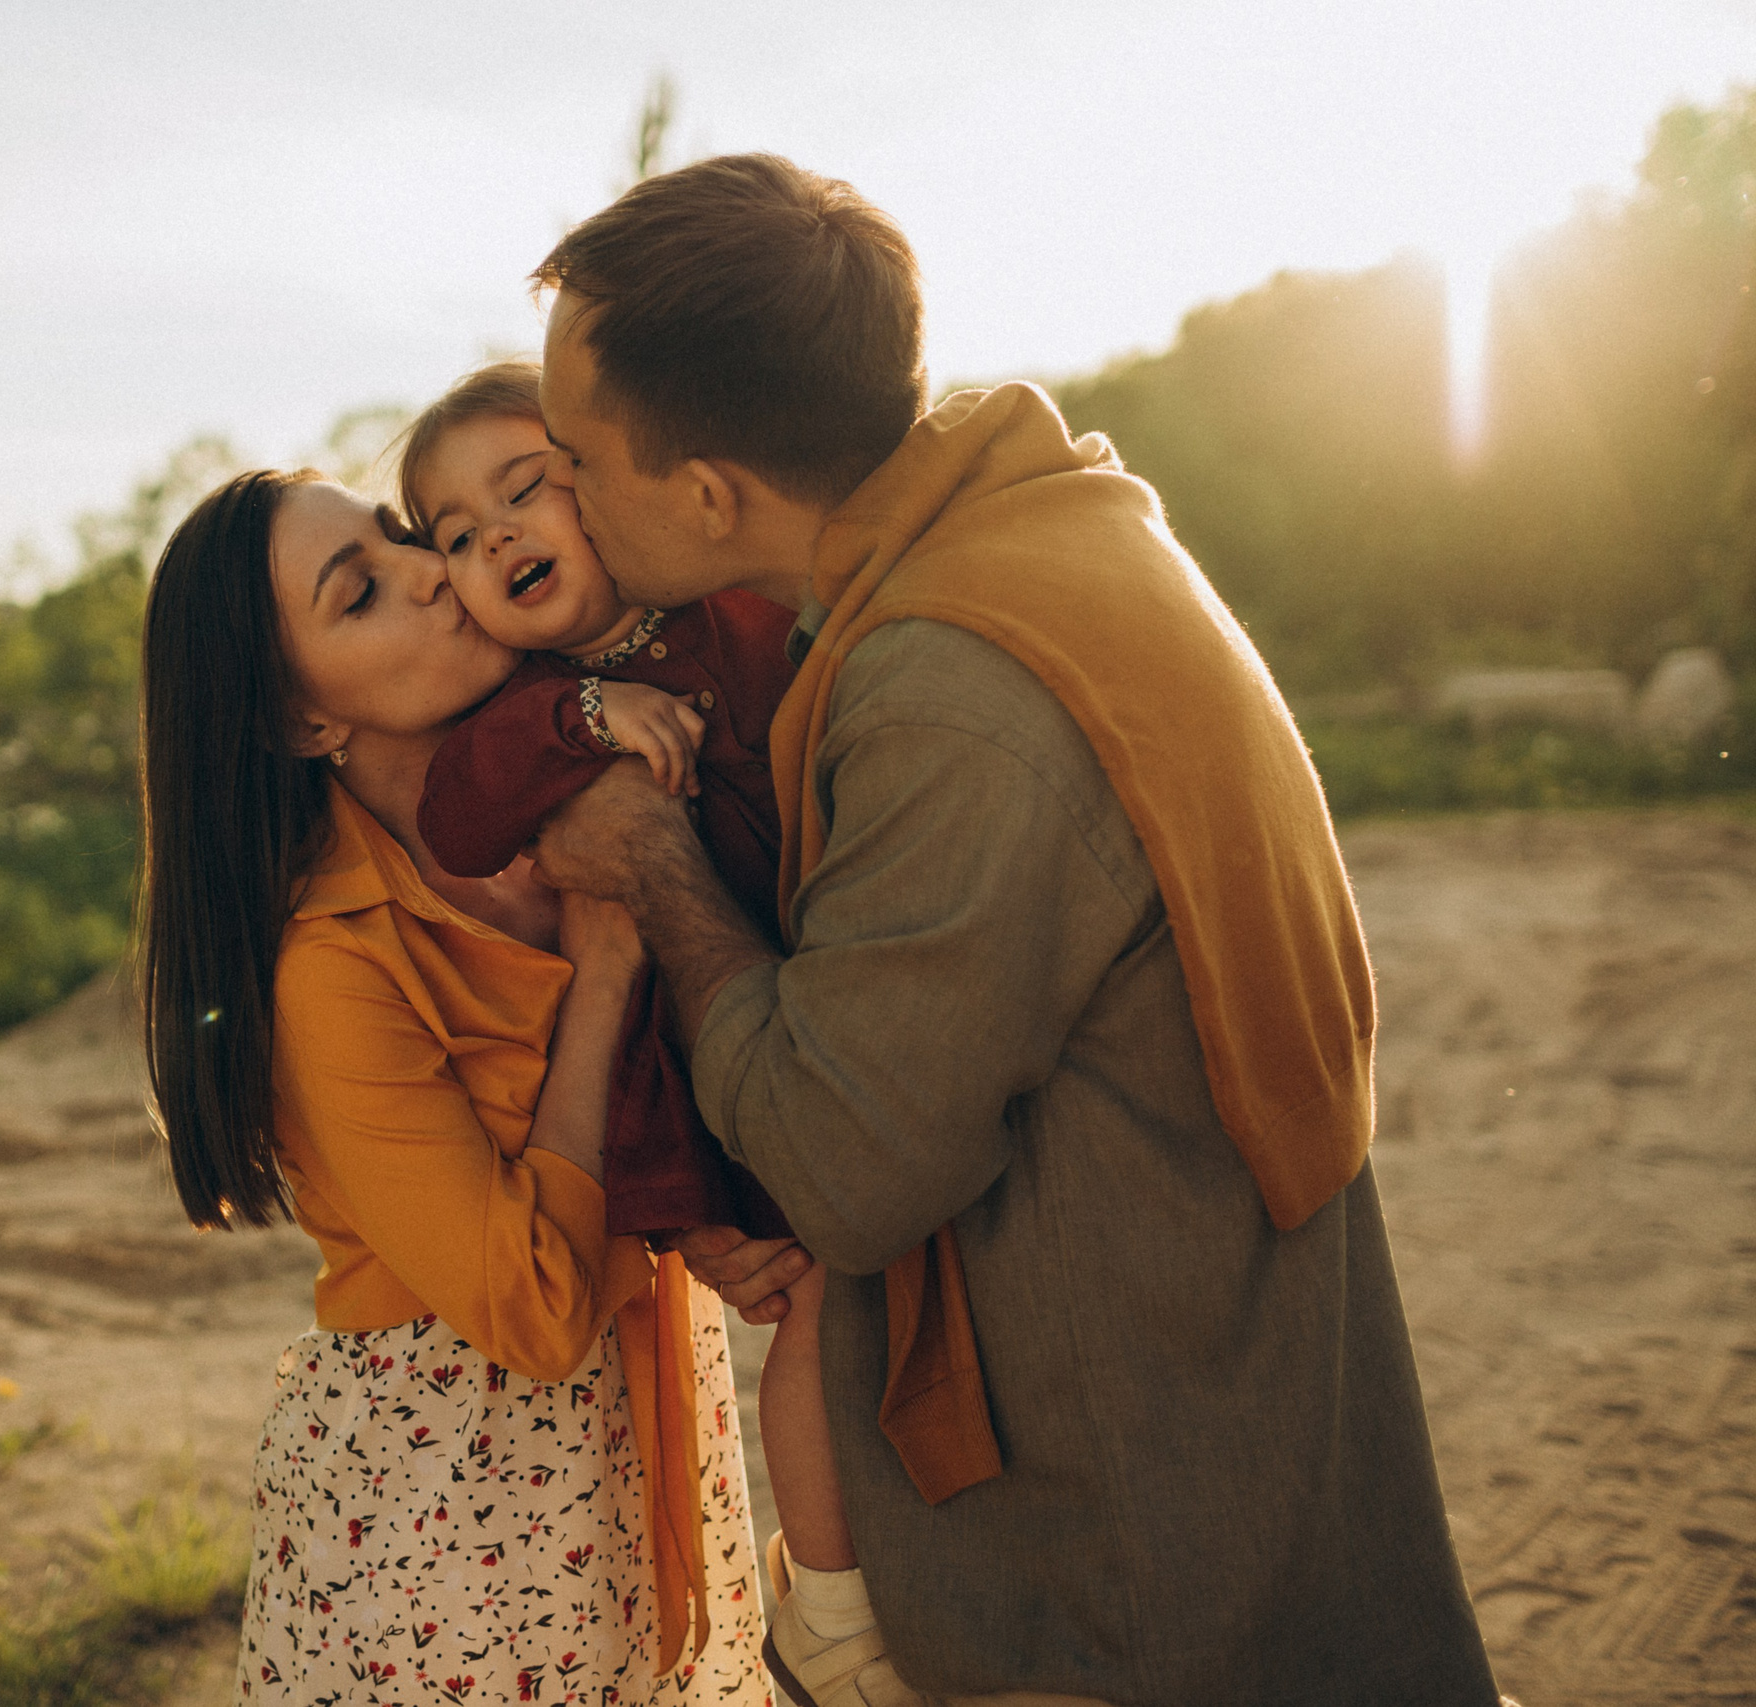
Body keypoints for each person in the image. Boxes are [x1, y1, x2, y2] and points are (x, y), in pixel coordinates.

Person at [523, 154, 1502, 1706]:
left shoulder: (954, 687)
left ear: (707, 494)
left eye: (576, 456)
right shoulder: (1048, 541)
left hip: (1133, 1562)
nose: (559, 490)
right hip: (1215, 1424)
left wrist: (651, 861)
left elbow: (847, 1166)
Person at [136, 469, 768, 1702]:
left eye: (394, 534)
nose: (429, 570)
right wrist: (603, 969)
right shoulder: (331, 963)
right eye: (361, 592)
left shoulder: (598, 772)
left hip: (635, 1424)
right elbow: (529, 1314)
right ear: (301, 722)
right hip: (444, 1500)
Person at [395, 361, 878, 1705]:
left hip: (825, 1002)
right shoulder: (523, 710)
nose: (493, 536)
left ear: (603, 486)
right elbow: (458, 809)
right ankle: (833, 1606)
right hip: (702, 1081)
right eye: (452, 534)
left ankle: (869, 1577)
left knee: (881, 1295)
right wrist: (585, 715)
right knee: (824, 1304)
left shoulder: (726, 615)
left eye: (521, 489)